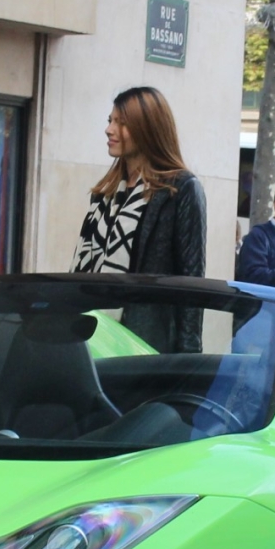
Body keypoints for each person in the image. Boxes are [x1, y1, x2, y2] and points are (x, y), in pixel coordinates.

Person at [74, 85, 207, 350]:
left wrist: (187, 359)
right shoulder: (106, 192)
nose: (109, 129)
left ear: (148, 130)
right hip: (92, 337)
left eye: (121, 123)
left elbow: (192, 282)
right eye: (110, 120)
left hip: (145, 344)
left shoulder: (181, 189)